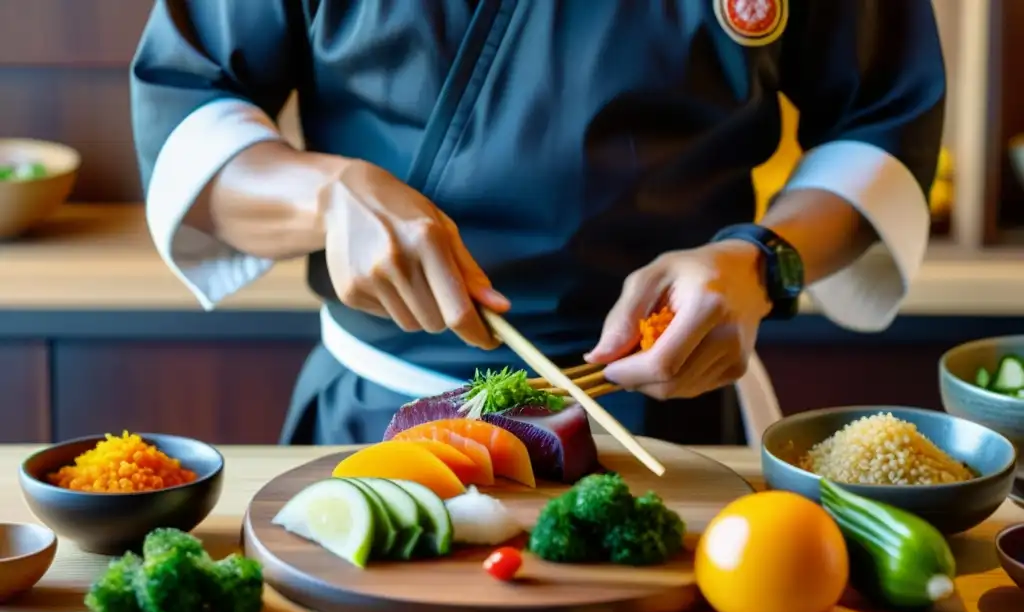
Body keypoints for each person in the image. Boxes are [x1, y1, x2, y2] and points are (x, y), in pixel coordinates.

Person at [131, 0, 945, 446]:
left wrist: (764, 259)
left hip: (677, 424)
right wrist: (327, 193)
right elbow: (188, 114)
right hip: (377, 422)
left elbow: (882, 125)